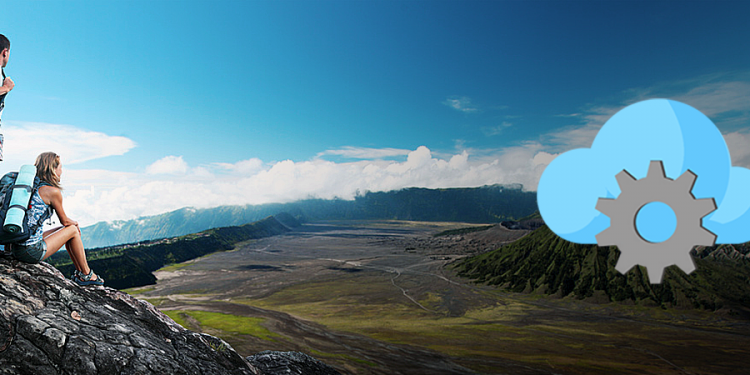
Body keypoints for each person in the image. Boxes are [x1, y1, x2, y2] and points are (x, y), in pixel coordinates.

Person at [10, 152, 104, 286]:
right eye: (60, 167)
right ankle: (87, 275)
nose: (62, 171)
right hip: (29, 252)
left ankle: (81, 273)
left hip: (16, 245)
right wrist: (76, 224)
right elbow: (65, 221)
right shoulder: (52, 192)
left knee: (67, 230)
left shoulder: (29, 187)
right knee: (72, 229)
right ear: (53, 169)